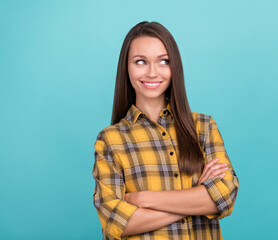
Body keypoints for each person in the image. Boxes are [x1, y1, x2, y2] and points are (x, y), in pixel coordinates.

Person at [92, 21, 239, 240]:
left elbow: (225, 196)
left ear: (174, 68)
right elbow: (116, 223)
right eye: (140, 62)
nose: (152, 73)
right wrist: (195, 199)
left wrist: (143, 199)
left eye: (163, 61)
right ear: (126, 67)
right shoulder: (110, 140)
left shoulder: (204, 127)